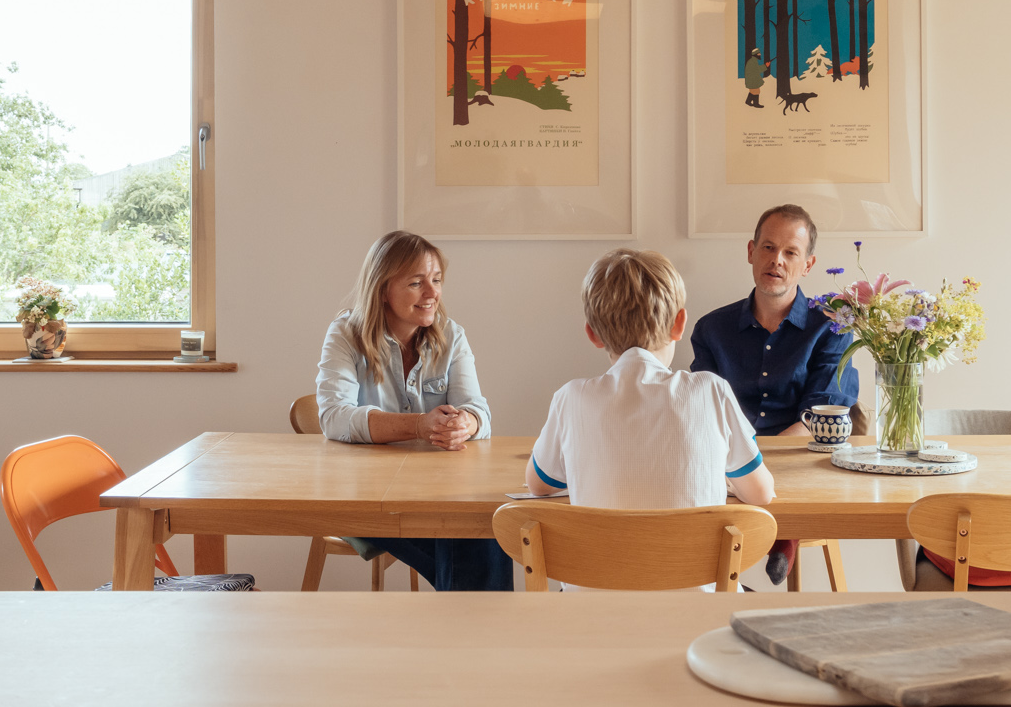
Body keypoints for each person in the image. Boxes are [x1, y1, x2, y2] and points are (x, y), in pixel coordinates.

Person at [526, 249, 775, 590]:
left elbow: (539, 485)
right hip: (691, 617)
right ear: (679, 324)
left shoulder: (571, 397)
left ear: (592, 333)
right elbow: (761, 494)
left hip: (589, 619)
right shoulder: (711, 391)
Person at [316, 230, 512, 591]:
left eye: (436, 280)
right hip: (365, 497)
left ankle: (462, 636)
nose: (433, 293)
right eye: (416, 283)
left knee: (481, 528)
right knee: (478, 539)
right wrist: (419, 425)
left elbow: (478, 410)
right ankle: (483, 639)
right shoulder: (346, 333)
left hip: (437, 494)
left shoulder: (451, 335)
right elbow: (333, 417)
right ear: (382, 290)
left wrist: (465, 423)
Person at [688, 203, 854, 587]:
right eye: (767, 247)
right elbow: (701, 408)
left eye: (790, 252)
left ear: (808, 264)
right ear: (750, 251)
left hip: (800, 459)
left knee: (801, 463)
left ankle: (782, 539)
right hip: (728, 461)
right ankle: (723, 582)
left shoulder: (830, 327)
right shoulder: (712, 328)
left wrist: (761, 459)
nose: (776, 260)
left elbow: (822, 414)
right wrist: (738, 461)